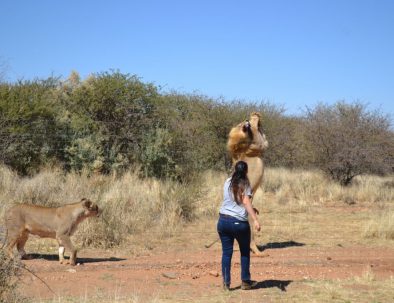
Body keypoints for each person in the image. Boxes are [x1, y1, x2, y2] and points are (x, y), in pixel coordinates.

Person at [217, 160, 261, 290]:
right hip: (239, 224)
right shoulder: (245, 183)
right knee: (244, 252)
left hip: (223, 221)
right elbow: (245, 201)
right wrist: (255, 219)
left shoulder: (227, 182)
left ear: (235, 170)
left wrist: (252, 209)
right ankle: (245, 281)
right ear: (246, 171)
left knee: (226, 253)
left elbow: (234, 200)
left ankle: (226, 284)